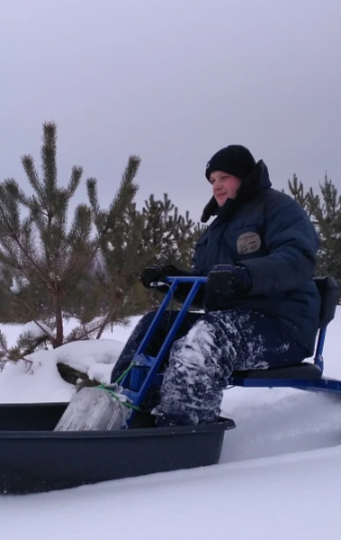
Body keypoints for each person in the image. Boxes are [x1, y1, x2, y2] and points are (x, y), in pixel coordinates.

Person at [110, 144, 321, 426]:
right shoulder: (217, 227)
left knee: (207, 338)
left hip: (282, 324)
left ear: (244, 176)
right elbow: (211, 287)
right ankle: (126, 415)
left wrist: (244, 274)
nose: (217, 187)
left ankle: (183, 430)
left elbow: (298, 258)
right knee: (155, 326)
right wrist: (171, 280)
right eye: (212, 181)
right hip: (230, 321)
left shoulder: (278, 208)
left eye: (224, 177)